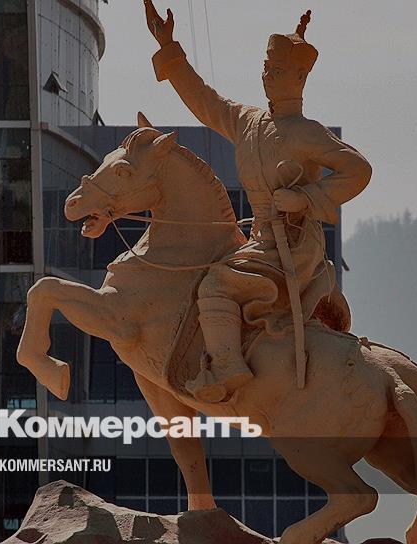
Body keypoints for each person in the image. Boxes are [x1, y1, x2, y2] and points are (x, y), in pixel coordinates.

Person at [144, 1, 372, 402]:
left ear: (300, 78)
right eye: (266, 69)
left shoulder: (307, 132)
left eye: (278, 71)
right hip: (261, 241)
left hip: (294, 245)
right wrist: (169, 47)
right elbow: (204, 101)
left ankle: (226, 368)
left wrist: (306, 198)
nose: (268, 77)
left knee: (215, 285)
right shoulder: (248, 122)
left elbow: (358, 169)